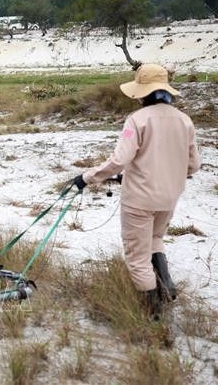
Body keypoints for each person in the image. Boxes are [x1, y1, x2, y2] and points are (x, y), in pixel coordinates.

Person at [73, 63, 200, 320]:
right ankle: (167, 289)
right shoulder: (184, 120)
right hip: (169, 197)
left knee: (137, 257)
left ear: (143, 93)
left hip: (139, 200)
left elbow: (120, 160)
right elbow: (193, 165)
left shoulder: (137, 120)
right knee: (155, 240)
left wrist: (87, 177)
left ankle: (152, 313)